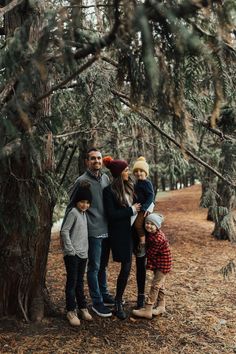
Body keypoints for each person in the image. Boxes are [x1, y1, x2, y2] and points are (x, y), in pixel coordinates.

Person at [68, 148, 114, 318]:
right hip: (92, 231)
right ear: (87, 161)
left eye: (99, 158)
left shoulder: (105, 178)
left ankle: (104, 294)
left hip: (107, 229)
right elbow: (72, 205)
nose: (97, 161)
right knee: (94, 267)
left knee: (103, 266)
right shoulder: (81, 181)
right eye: (93, 158)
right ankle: (97, 302)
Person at [103, 156, 141, 319]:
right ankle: (117, 301)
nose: (128, 172)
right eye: (126, 170)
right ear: (119, 173)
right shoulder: (109, 191)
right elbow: (111, 215)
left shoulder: (131, 186)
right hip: (120, 235)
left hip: (135, 233)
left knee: (131, 267)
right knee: (125, 267)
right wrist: (131, 210)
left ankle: (139, 298)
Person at [60, 182, 93, 326]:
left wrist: (84, 252)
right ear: (76, 201)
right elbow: (64, 231)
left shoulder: (84, 213)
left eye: (87, 202)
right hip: (72, 255)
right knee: (72, 282)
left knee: (80, 282)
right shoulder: (73, 212)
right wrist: (70, 250)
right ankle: (71, 310)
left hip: (83, 254)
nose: (85, 205)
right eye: (82, 202)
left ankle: (82, 308)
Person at [132, 213, 172, 319]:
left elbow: (150, 254)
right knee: (160, 284)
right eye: (147, 223)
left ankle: (148, 309)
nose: (148, 226)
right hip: (159, 263)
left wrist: (141, 248)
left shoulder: (157, 239)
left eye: (152, 224)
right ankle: (161, 305)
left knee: (155, 286)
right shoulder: (154, 234)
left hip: (162, 265)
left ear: (157, 226)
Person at [132, 156, 155, 258]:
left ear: (146, 172)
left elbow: (151, 196)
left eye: (141, 171)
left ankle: (142, 244)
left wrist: (145, 207)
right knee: (133, 225)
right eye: (136, 171)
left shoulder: (147, 183)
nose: (138, 173)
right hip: (137, 208)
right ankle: (137, 242)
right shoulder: (137, 183)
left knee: (138, 225)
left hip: (143, 209)